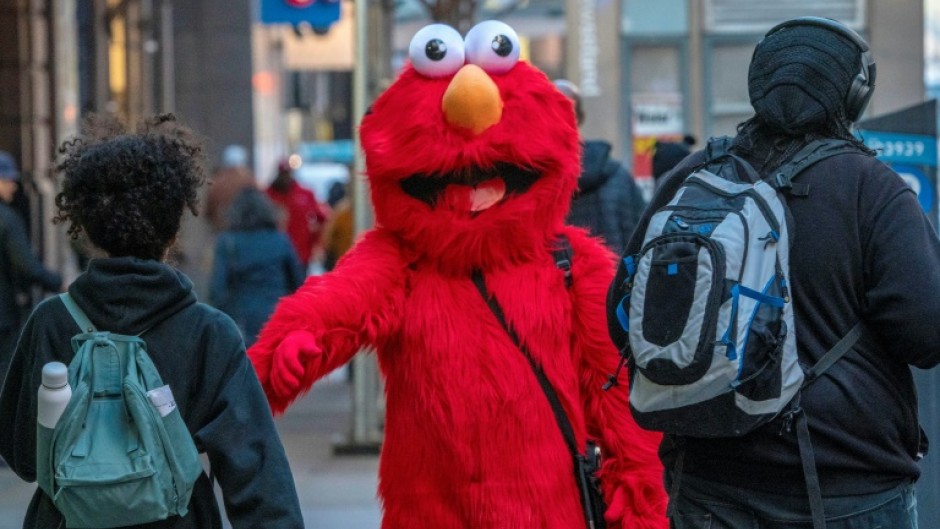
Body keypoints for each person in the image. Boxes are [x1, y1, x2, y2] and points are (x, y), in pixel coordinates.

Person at [606, 16, 940, 528]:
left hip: (708, 483)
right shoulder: (871, 187)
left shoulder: (692, 175)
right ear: (851, 99)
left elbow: (621, 317)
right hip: (848, 486)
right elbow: (926, 331)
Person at [0, 114, 304, 529]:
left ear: (84, 225)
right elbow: (256, 472)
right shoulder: (209, 333)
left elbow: (21, 456)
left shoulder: (51, 322)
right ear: (174, 226)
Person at [553, 79, 647, 256]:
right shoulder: (618, 177)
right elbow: (640, 240)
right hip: (612, 280)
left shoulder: (528, 181)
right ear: (580, 117)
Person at [210, 187, 305, 347]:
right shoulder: (280, 240)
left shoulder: (227, 243)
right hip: (277, 319)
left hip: (241, 324)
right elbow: (298, 283)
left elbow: (217, 290)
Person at [0, 151, 63, 386]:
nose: (13, 187)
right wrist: (57, 282)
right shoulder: (7, 219)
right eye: (7, 181)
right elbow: (27, 266)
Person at [266, 159, 328, 270]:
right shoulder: (267, 195)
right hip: (274, 256)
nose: (285, 177)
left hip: (300, 253)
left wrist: (316, 242)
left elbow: (322, 218)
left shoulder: (305, 194)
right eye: (282, 173)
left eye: (287, 173)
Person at [204, 144, 256, 232]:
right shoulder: (250, 181)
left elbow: (208, 211)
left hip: (222, 232)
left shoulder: (217, 182)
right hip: (246, 232)